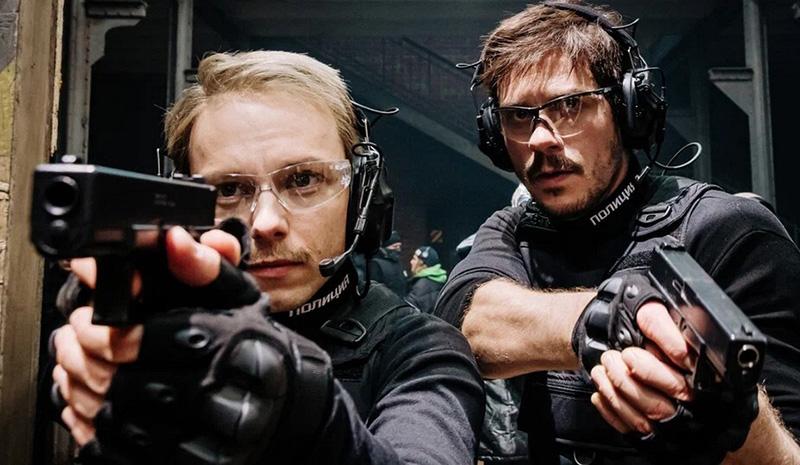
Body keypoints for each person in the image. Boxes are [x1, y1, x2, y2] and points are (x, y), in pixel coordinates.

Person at [49, 50, 484, 464]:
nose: (266, 222)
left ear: (361, 195)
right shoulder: (150, 331)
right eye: (228, 189)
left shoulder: (421, 351)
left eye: (304, 179)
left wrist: (296, 418)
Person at [435, 2, 800, 464]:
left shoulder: (728, 231)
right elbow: (466, 321)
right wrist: (611, 318)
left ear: (627, 109)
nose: (541, 138)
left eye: (570, 105)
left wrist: (737, 426)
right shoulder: (512, 229)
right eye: (518, 116)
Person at [405, 246, 447, 313]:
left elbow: (409, 313)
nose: (411, 262)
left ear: (422, 263)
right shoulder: (441, 280)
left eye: (414, 259)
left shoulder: (420, 287)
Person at [366, 230, 407, 297]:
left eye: (399, 246)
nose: (398, 249)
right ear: (386, 247)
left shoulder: (398, 263)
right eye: (395, 246)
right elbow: (374, 288)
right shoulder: (376, 264)